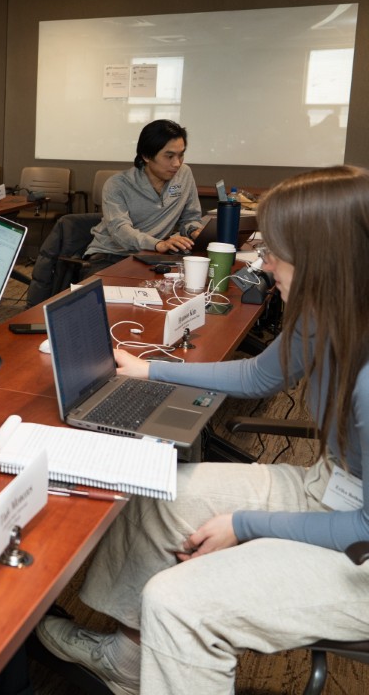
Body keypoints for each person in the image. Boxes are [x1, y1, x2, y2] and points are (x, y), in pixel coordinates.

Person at [35, 165, 369, 695]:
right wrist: (150, 370)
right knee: (160, 493)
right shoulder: (328, 312)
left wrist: (246, 524)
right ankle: (129, 661)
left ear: (323, 259)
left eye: (275, 252)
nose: (264, 263)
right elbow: (259, 376)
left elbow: (365, 529)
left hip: (362, 553)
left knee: (178, 603)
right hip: (331, 491)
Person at [83, 119, 204, 275]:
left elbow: (190, 218)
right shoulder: (117, 185)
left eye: (181, 155)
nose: (177, 163)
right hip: (110, 255)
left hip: (152, 255)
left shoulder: (184, 174)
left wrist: (194, 231)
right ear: (146, 156)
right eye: (169, 156)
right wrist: (158, 244)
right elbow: (120, 230)